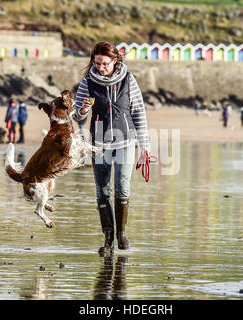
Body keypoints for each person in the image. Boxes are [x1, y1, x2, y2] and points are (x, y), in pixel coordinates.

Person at [72, 42, 150, 254]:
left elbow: (138, 113)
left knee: (122, 188)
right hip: (98, 144)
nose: (100, 67)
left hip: (125, 141)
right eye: (96, 63)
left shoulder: (128, 79)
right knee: (102, 190)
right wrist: (82, 110)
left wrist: (145, 147)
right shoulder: (87, 82)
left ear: (115, 61)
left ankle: (121, 233)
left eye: (105, 63)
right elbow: (76, 115)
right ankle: (108, 238)